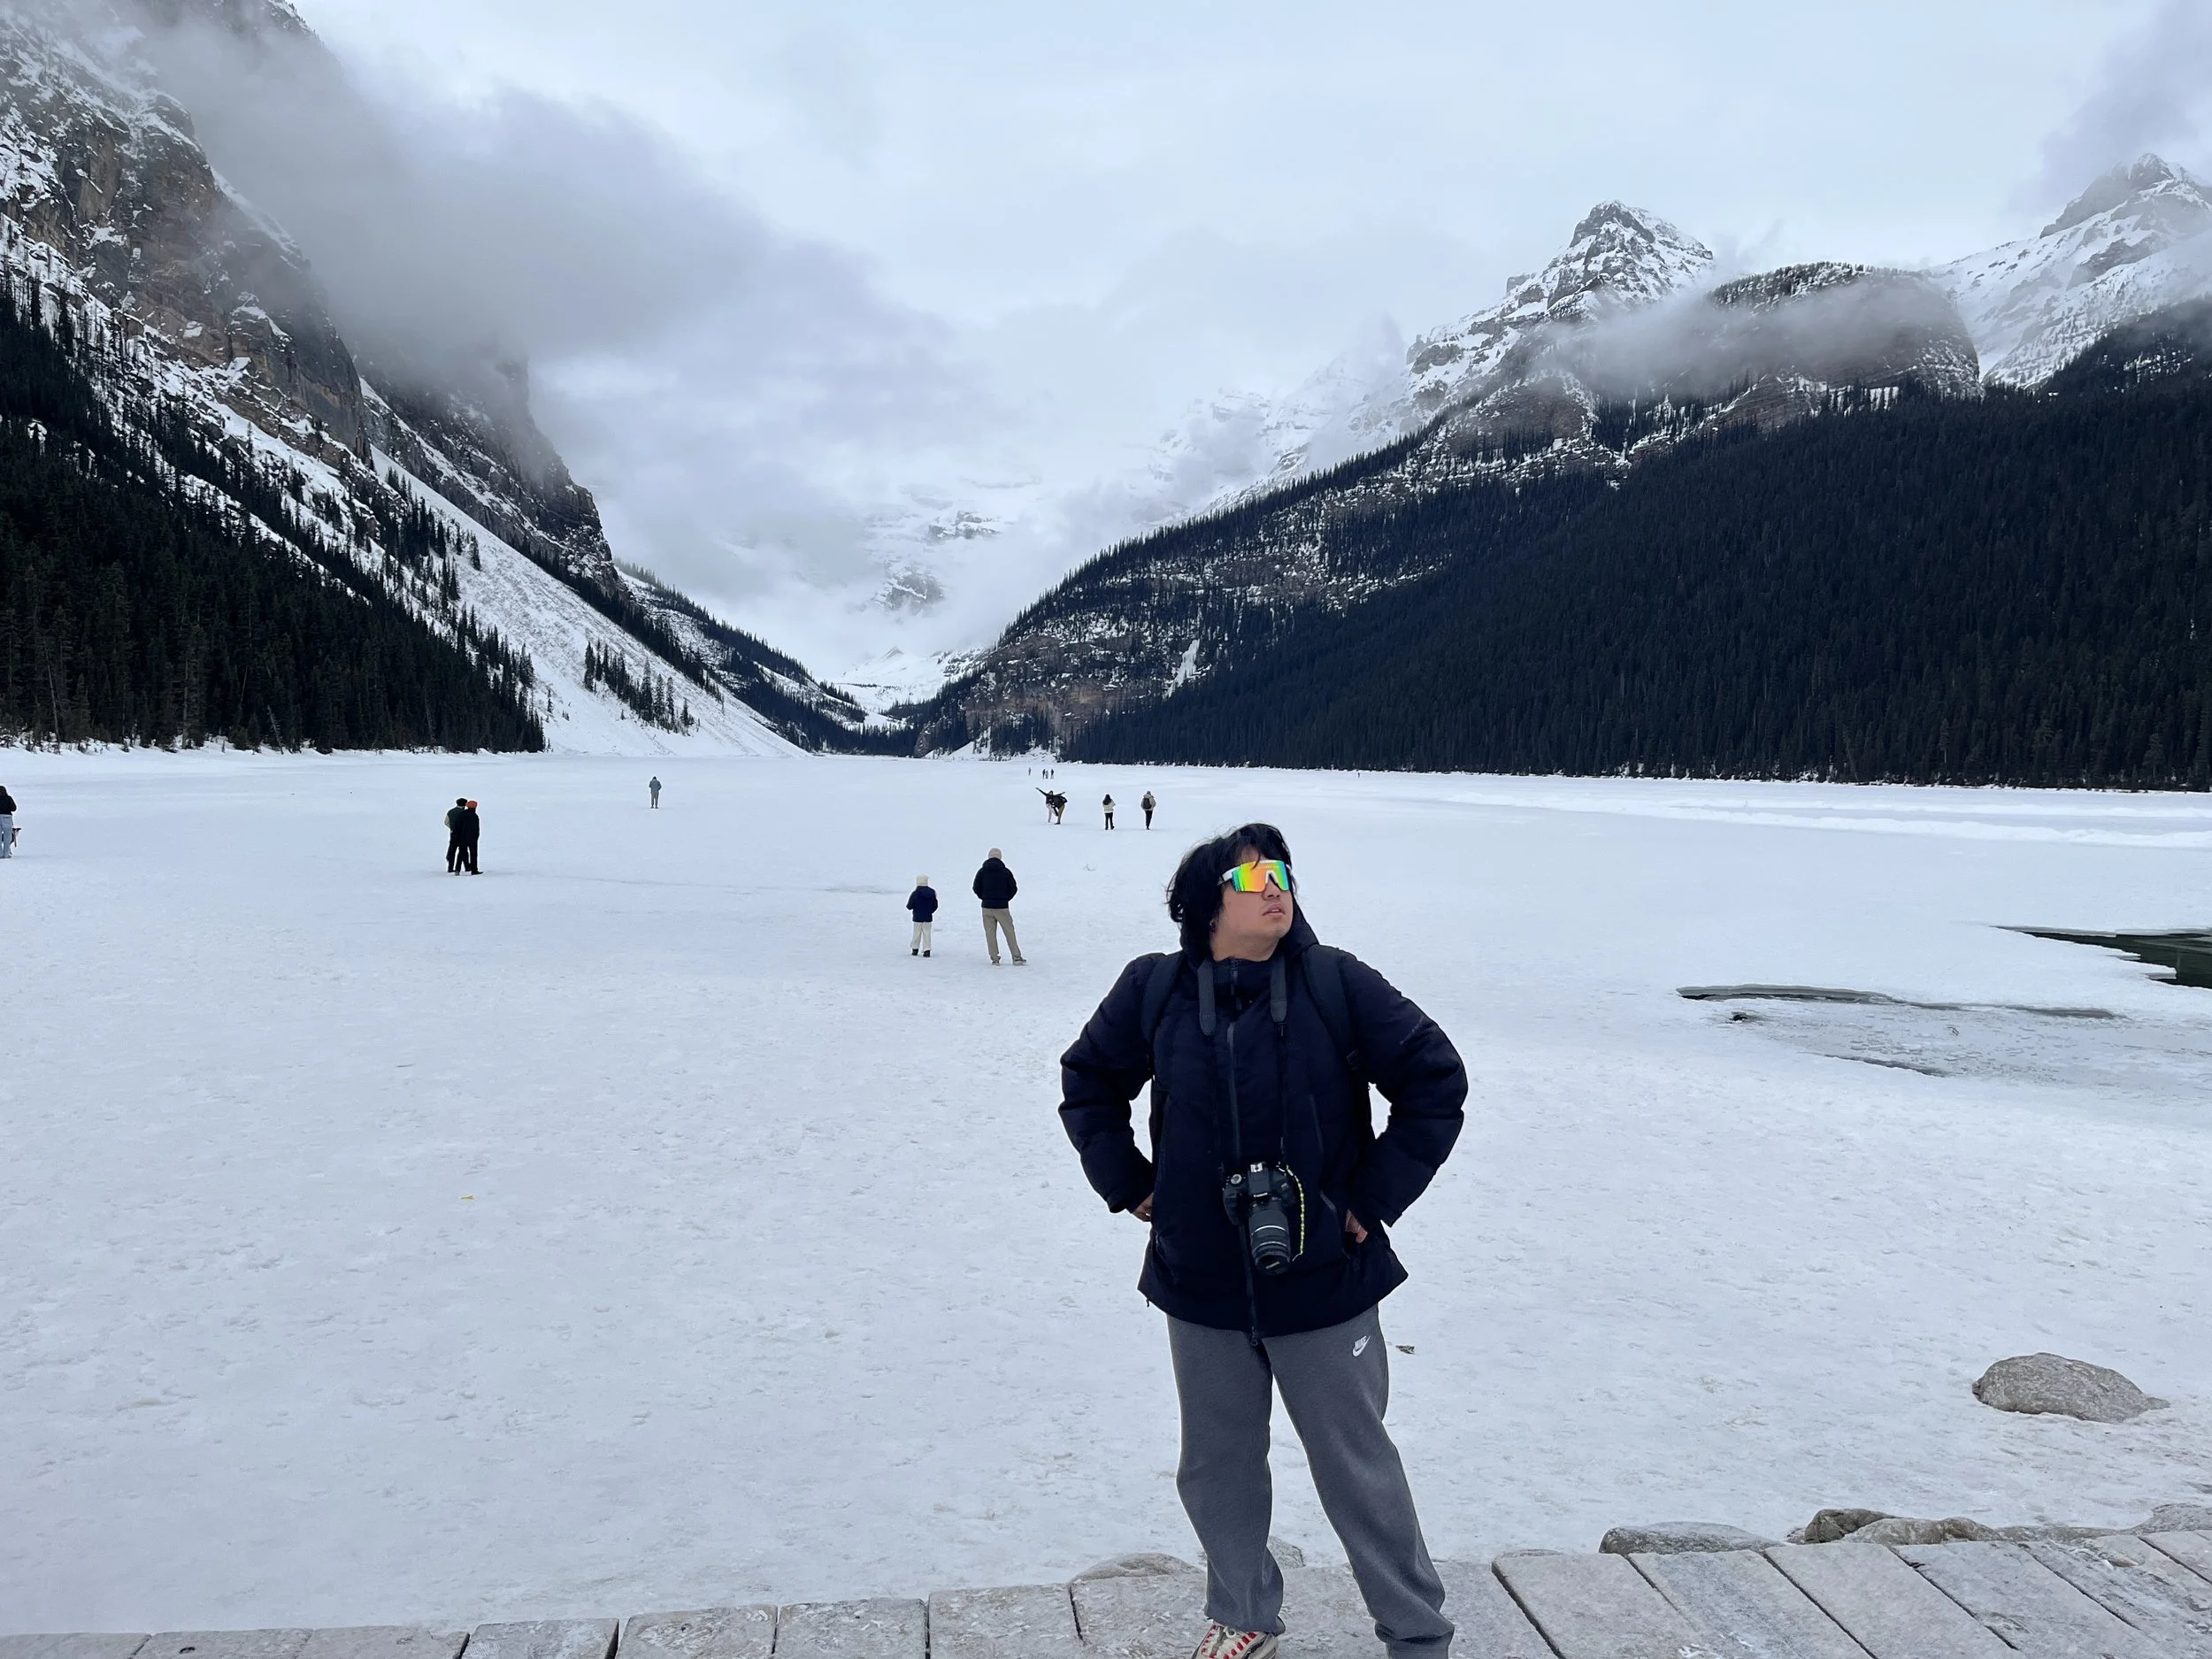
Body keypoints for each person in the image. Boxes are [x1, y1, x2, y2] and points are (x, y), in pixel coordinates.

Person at [1059, 825, 1466, 1659]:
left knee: (1357, 1466)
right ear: (1206, 897)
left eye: (1282, 870)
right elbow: (1088, 1083)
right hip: (1199, 1278)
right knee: (1216, 1464)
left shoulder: (1334, 982)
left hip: (1324, 1279)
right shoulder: (1154, 988)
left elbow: (1436, 1081)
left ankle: (1417, 1632)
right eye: (1253, 873)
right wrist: (1133, 1185)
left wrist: (1372, 1197)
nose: (1275, 884)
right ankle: (1244, 1614)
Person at [972, 847, 1026, 965]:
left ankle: (994, 958)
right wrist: (1005, 899)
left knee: (990, 933)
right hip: (1002, 907)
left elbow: (976, 887)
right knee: (1009, 931)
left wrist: (984, 898)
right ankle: (1016, 957)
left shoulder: (982, 871)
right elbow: (1013, 888)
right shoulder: (1005, 872)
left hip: (986, 907)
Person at [907, 875, 939, 956]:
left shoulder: (915, 893)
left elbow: (909, 906)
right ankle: (927, 950)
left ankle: (915, 949)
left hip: (917, 918)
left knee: (916, 933)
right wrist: (930, 912)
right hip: (928, 917)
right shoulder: (932, 892)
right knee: (927, 934)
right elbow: (935, 905)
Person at [455, 799, 482, 874]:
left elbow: (458, 827)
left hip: (462, 838)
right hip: (472, 839)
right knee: (473, 854)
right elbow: (476, 829)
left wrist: (457, 836)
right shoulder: (474, 816)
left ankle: (457, 869)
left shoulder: (462, 814)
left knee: (461, 854)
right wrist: (476, 837)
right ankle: (474, 870)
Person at [444, 796, 468, 873]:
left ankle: (450, 867)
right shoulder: (465, 813)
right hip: (463, 834)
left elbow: (446, 822)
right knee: (463, 850)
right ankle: (466, 866)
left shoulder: (450, 811)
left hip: (453, 833)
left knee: (452, 850)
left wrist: (452, 828)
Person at [0, 780, 15, 857]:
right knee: (7, 837)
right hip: (7, 817)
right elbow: (14, 808)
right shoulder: (9, 798)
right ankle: (6, 854)